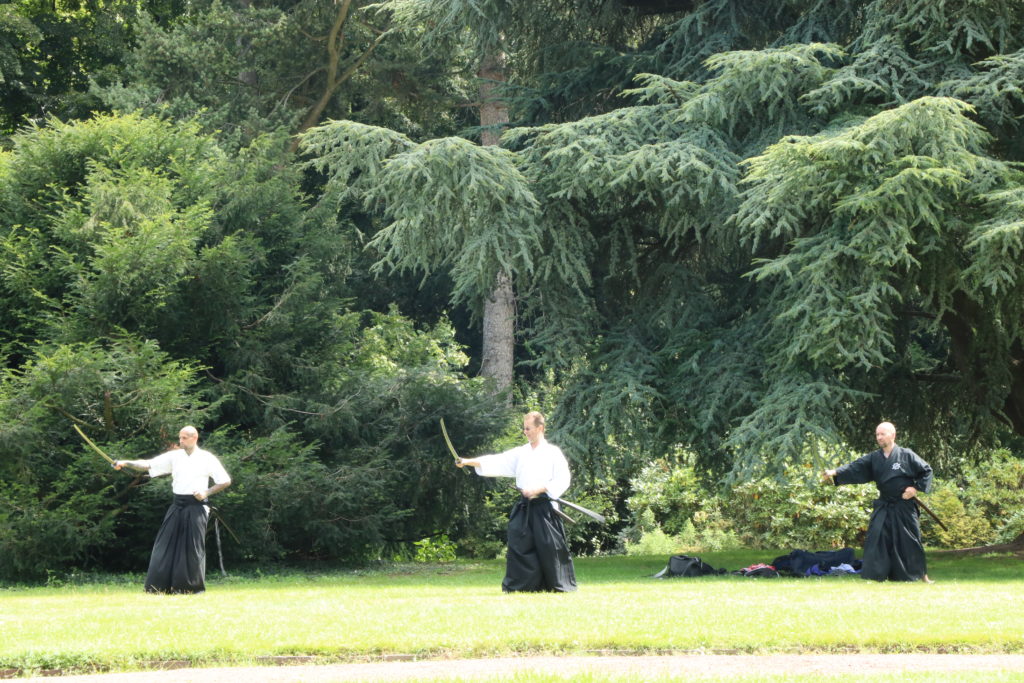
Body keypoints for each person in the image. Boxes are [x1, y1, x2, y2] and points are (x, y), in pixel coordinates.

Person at [456, 411, 577, 592]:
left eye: (528, 428)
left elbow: (563, 479)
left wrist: (539, 489)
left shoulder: (553, 453)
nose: (525, 432)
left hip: (545, 507)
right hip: (525, 507)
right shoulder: (521, 453)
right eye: (524, 428)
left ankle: (556, 585)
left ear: (540, 428)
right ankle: (522, 586)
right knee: (519, 544)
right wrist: (467, 462)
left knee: (549, 547)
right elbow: (497, 461)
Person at [115, 426, 231, 593]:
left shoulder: (207, 458)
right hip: (177, 505)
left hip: (197, 507)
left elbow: (225, 480)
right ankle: (158, 587)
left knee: (192, 548)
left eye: (184, 438)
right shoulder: (175, 456)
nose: (180, 441)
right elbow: (147, 464)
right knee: (163, 545)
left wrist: (206, 491)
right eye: (180, 437)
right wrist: (125, 462)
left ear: (194, 438)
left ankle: (189, 589)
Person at [823, 421, 933, 583]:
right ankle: (876, 575)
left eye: (882, 434)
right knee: (876, 537)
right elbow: (856, 467)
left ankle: (922, 576)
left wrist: (914, 488)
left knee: (910, 539)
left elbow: (926, 470)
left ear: (893, 435)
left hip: (904, 505)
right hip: (884, 504)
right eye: (877, 435)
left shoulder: (906, 454)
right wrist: (835, 472)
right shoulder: (874, 458)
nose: (879, 437)